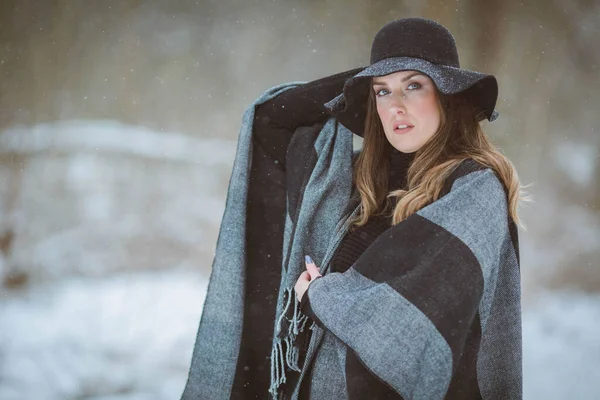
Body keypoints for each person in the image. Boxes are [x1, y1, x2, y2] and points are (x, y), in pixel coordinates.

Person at [182, 17, 527, 400]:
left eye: (414, 86)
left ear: (449, 95)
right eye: (382, 92)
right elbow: (270, 121)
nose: (395, 106)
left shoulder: (473, 187)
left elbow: (406, 329)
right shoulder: (360, 182)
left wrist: (319, 295)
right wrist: (364, 80)